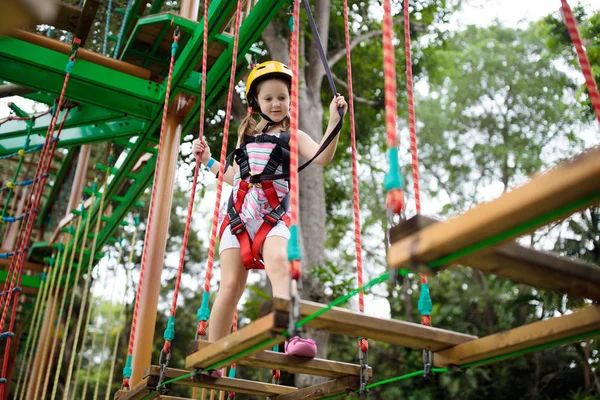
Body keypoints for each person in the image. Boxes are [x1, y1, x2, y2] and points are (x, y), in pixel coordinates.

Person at [193, 61, 347, 374]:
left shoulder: (294, 136)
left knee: (280, 264)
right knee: (231, 285)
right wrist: (207, 161)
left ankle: (293, 335)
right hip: (238, 220)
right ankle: (214, 353)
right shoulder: (244, 137)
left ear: (290, 100)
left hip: (274, 218)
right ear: (256, 103)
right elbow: (232, 176)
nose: (276, 104)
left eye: (281, 97)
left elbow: (324, 156)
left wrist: (335, 120)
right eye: (268, 99)